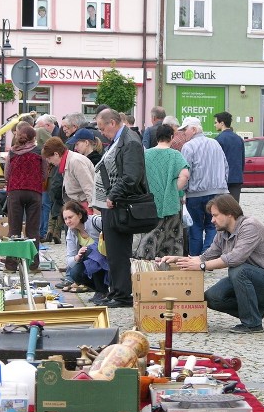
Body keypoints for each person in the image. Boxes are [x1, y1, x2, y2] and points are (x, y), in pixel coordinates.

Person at [160, 194, 264, 333]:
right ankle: (255, 313)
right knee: (211, 297)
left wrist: (202, 267)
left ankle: (252, 324)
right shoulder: (223, 232)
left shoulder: (250, 226)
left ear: (229, 214)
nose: (212, 220)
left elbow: (235, 258)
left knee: (238, 269)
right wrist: (177, 259)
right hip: (247, 280)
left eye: (215, 215)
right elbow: (206, 257)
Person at [93, 108, 147, 308]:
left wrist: (113, 195)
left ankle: (123, 294)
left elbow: (132, 175)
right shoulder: (119, 139)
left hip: (120, 203)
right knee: (112, 251)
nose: (101, 133)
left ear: (112, 123)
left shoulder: (130, 141)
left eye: (102, 128)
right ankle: (116, 290)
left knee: (119, 251)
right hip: (112, 203)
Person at [133, 124, 189, 259]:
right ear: (171, 137)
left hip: (149, 202)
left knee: (150, 233)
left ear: (157, 137)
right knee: (172, 236)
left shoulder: (146, 154)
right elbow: (185, 175)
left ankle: (146, 262)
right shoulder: (176, 155)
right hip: (171, 203)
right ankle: (169, 264)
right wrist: (174, 189)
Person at [178, 116, 229, 255]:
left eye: (185, 130)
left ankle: (196, 257)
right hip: (218, 192)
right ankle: (208, 255)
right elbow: (225, 167)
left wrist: (182, 192)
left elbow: (186, 172)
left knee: (195, 227)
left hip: (196, 194)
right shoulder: (215, 143)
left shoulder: (188, 147)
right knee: (213, 226)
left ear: (193, 130)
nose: (183, 133)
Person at [4, 124, 46, 271]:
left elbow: (6, 174)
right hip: (34, 192)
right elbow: (45, 174)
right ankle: (33, 265)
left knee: (14, 230)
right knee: (33, 230)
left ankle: (10, 265)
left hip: (15, 192)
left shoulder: (13, 153)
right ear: (33, 137)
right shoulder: (39, 152)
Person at [63, 201, 109, 304]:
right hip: (93, 261)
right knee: (74, 273)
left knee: (90, 251)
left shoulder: (95, 221)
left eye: (70, 217)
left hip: (108, 259)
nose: (68, 221)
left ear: (79, 215)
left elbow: (111, 227)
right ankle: (100, 290)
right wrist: (77, 257)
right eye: (65, 219)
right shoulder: (71, 232)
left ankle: (102, 290)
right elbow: (69, 260)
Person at [42, 137, 95, 210]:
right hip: (77, 205)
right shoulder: (67, 162)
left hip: (84, 206)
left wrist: (93, 209)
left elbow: (89, 187)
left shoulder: (75, 161)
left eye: (49, 158)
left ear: (56, 154)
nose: (49, 162)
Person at [214, 111, 245, 202]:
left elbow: (216, 162)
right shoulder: (239, 139)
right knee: (234, 207)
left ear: (222, 123)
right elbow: (242, 160)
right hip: (237, 178)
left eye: (216, 122)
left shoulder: (218, 139)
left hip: (222, 180)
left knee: (222, 207)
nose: (214, 125)